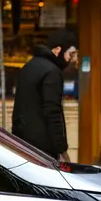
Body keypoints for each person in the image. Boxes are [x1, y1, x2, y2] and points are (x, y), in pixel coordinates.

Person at [11, 30, 78, 161]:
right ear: (58, 50)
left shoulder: (30, 65)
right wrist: (61, 150)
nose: (73, 59)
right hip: (42, 146)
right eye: (71, 54)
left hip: (23, 139)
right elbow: (52, 111)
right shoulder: (52, 72)